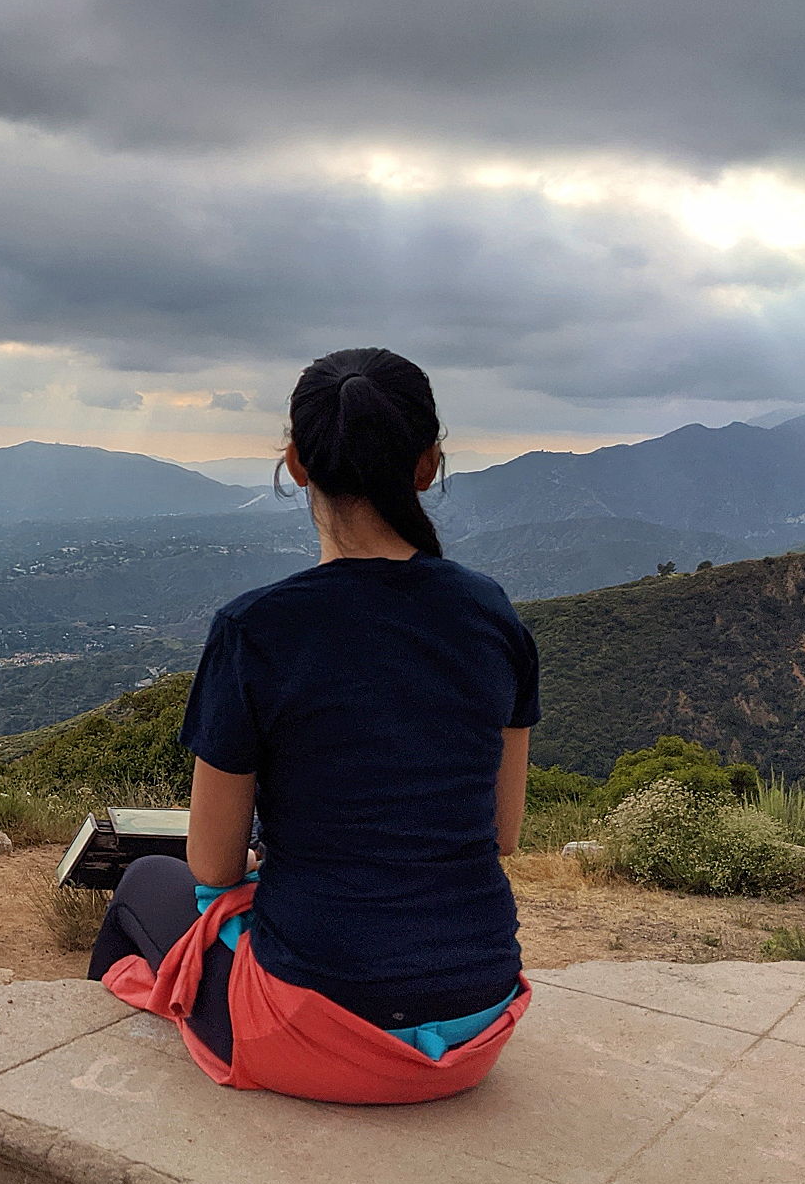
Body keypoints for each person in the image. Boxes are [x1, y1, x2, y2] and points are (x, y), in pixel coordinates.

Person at [89, 347, 535, 1103]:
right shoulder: (493, 614)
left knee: (145, 882)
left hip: (316, 1025)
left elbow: (213, 866)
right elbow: (501, 835)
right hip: (474, 1025)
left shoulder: (258, 629)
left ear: (296, 464)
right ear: (428, 464)